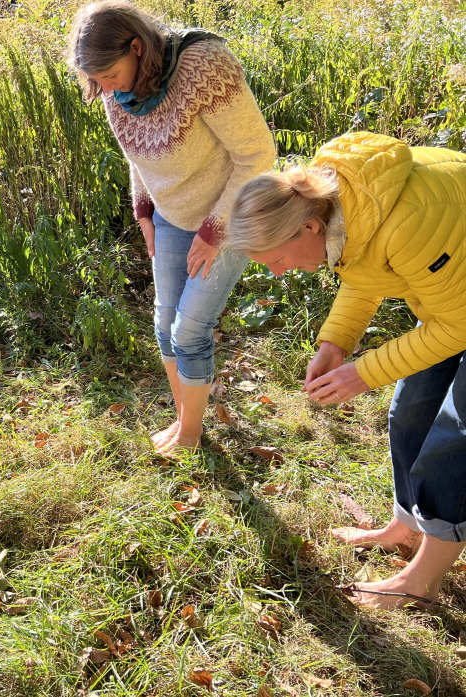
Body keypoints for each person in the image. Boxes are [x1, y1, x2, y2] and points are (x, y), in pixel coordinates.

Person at [225, 131, 466, 609]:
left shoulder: (404, 222)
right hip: (453, 296)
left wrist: (364, 372)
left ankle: (423, 582)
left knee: (455, 436)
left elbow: (458, 324)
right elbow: (366, 271)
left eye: (275, 260)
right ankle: (406, 528)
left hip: (457, 307)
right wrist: (337, 344)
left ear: (308, 230)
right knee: (411, 411)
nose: (276, 273)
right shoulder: (341, 208)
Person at [66, 0, 276, 456]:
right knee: (164, 324)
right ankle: (185, 419)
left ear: (137, 48)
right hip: (170, 217)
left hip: (227, 215)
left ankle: (191, 434)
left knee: (189, 331)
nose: (104, 88)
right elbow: (135, 152)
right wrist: (143, 210)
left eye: (109, 75)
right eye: (96, 80)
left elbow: (258, 156)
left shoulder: (203, 67)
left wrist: (213, 230)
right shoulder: (114, 88)